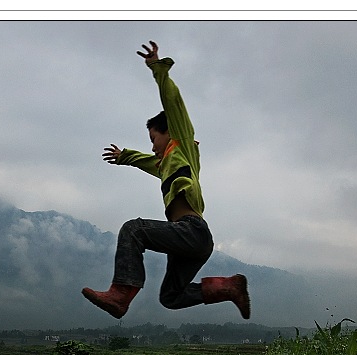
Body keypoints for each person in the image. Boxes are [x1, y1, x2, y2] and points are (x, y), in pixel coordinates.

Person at [82, 40, 250, 320]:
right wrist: (124, 156)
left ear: (169, 132)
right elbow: (147, 162)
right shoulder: (166, 164)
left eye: (153, 139)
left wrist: (158, 70)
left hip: (193, 231)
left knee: (133, 230)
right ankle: (229, 287)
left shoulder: (181, 145)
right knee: (171, 297)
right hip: (192, 243)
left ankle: (121, 294)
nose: (152, 146)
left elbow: (173, 104)